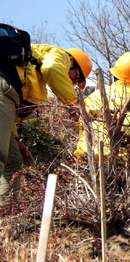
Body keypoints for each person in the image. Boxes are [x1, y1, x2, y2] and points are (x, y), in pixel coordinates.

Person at [0, 45, 92, 204]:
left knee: (13, 162)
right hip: (3, 93)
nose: (74, 83)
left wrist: (14, 139)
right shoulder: (59, 55)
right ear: (71, 61)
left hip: (7, 98)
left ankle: (5, 216)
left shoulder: (33, 66)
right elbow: (51, 68)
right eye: (76, 77)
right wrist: (74, 105)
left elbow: (8, 111)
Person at [75, 52, 130, 160]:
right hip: (127, 162)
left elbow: (82, 122)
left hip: (90, 155)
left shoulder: (99, 95)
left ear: (115, 77)